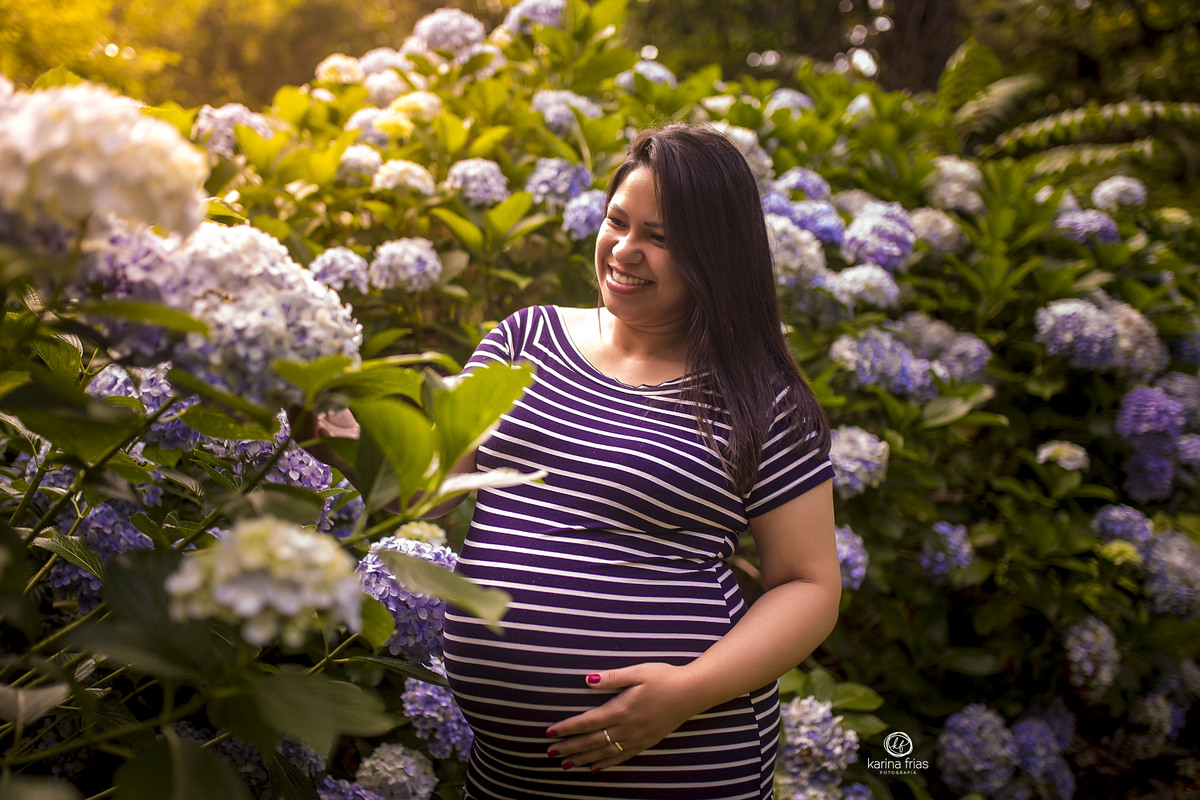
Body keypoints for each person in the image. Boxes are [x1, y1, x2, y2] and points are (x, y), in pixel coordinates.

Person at [435, 124, 841, 800]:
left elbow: (810, 586)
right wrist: (340, 435)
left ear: (715, 258)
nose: (625, 251)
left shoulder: (760, 397)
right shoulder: (521, 340)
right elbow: (431, 489)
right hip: (508, 781)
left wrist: (684, 692)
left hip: (683, 765)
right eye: (617, 222)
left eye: (660, 238)